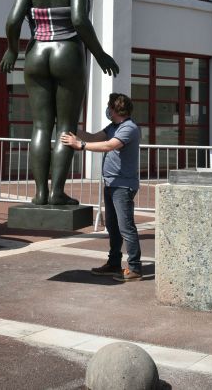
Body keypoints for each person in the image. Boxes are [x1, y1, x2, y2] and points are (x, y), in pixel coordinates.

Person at [0, 0, 119, 206]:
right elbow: (79, 19)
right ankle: (57, 193)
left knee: (40, 126)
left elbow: (13, 20)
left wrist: (12, 49)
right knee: (65, 126)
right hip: (66, 51)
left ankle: (40, 193)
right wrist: (99, 54)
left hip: (37, 51)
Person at [60, 93, 142, 282]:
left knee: (125, 227)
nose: (107, 110)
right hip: (111, 183)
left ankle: (135, 267)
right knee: (112, 227)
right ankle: (113, 263)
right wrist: (72, 127)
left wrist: (79, 145)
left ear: (116, 109)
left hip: (123, 186)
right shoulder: (112, 126)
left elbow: (108, 145)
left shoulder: (129, 128)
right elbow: (93, 137)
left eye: (109, 107)